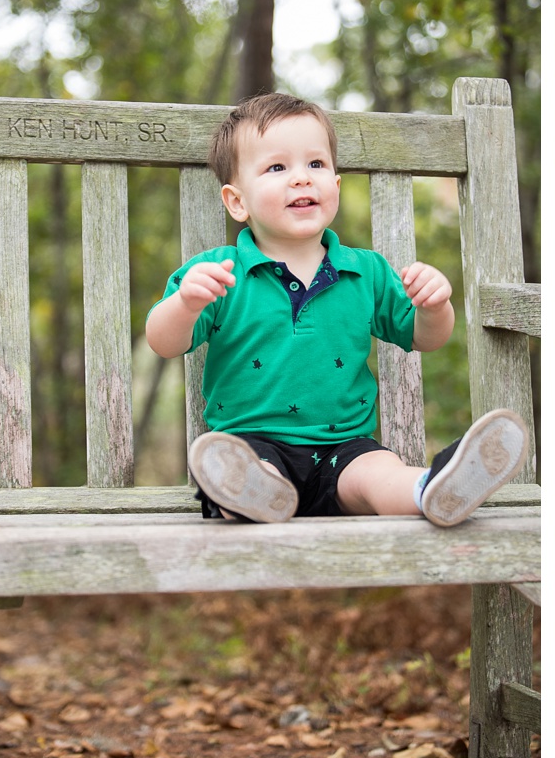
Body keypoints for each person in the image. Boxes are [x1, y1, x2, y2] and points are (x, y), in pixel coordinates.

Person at [145, 92, 527, 528]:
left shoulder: (366, 272)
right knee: (243, 470)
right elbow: (163, 340)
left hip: (344, 449)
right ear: (237, 202)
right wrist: (186, 304)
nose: (302, 179)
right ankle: (253, 495)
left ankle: (433, 488)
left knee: (380, 475)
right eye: (277, 167)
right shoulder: (217, 272)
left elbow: (426, 337)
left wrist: (435, 306)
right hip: (251, 445)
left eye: (316, 165)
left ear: (336, 186)